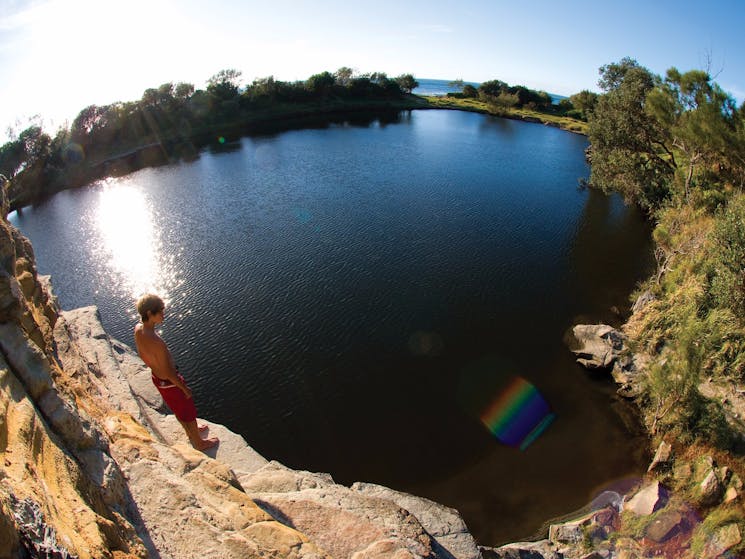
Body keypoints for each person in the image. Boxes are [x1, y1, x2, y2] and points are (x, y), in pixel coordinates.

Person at [134, 293, 219, 451]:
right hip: (170, 382)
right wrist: (183, 387)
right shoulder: (157, 342)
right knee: (188, 410)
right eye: (160, 311)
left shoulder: (139, 330)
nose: (163, 314)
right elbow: (168, 372)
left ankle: (191, 432)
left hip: (157, 378)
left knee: (178, 409)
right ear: (149, 314)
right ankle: (199, 443)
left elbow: (142, 354)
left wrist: (155, 368)